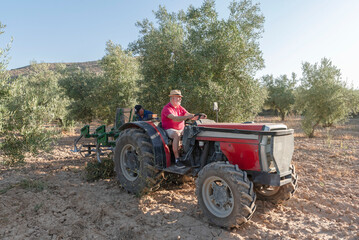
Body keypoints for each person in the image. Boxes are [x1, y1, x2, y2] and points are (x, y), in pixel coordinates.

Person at [161, 90, 207, 168]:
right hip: (169, 129)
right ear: (172, 98)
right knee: (176, 134)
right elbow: (175, 118)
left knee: (193, 132)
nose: (180, 99)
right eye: (178, 97)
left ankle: (192, 156)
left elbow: (189, 115)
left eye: (180, 97)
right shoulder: (167, 109)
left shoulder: (180, 108)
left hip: (181, 129)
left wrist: (198, 117)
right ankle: (177, 159)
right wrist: (187, 117)